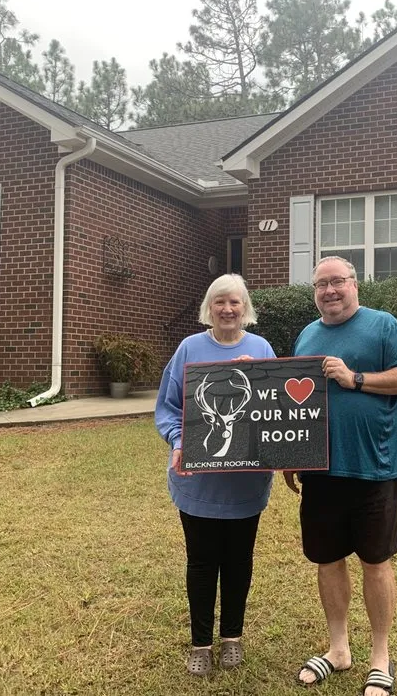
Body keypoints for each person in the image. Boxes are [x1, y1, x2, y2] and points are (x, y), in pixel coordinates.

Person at [286, 256, 397, 696]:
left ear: (355, 285)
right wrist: (291, 452)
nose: (330, 291)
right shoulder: (308, 334)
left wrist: (355, 378)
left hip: (373, 468)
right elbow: (296, 404)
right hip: (321, 472)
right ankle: (338, 649)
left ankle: (380, 658)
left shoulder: (383, 326)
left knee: (376, 561)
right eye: (321, 284)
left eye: (338, 282)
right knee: (327, 559)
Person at [155, 273, 275, 677]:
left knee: (240, 561)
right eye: (220, 302)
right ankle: (201, 644)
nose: (227, 309)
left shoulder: (261, 348)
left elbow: (276, 409)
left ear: (246, 309)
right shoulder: (189, 347)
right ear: (210, 307)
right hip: (198, 483)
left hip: (246, 483)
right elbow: (169, 408)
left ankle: (232, 639)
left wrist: (257, 378)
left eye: (235, 302)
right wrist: (178, 442)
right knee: (202, 562)